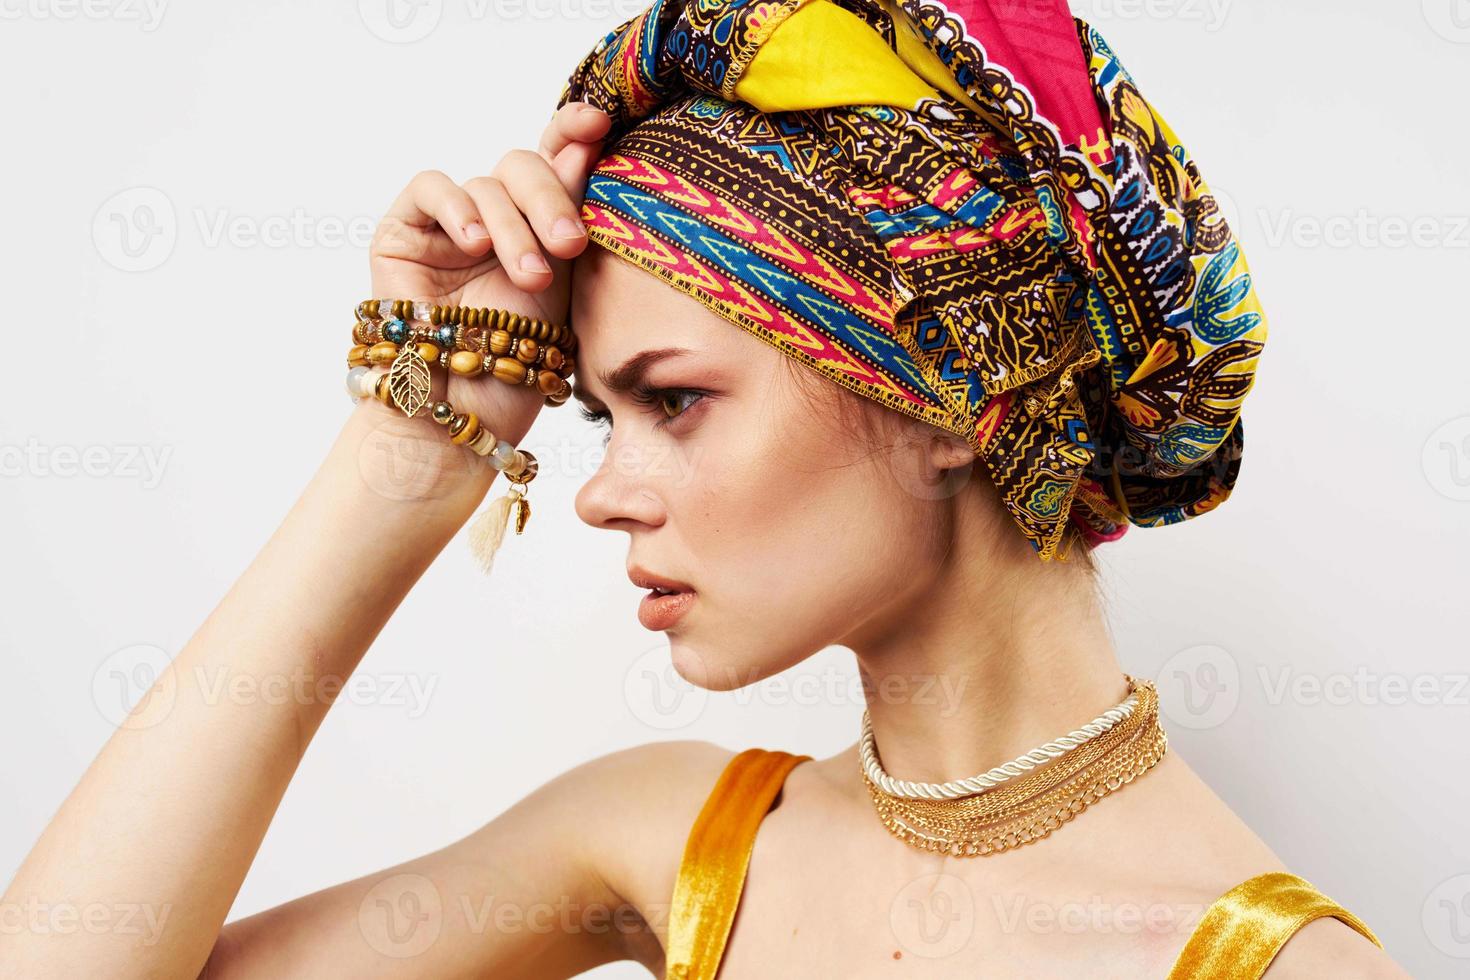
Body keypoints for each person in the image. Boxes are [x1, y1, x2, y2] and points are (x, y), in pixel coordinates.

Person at [1, 0, 1411, 977]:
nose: (600, 496)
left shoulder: (1277, 968)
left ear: (958, 395)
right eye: (595, 411)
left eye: (672, 400)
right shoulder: (667, 840)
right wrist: (413, 444)